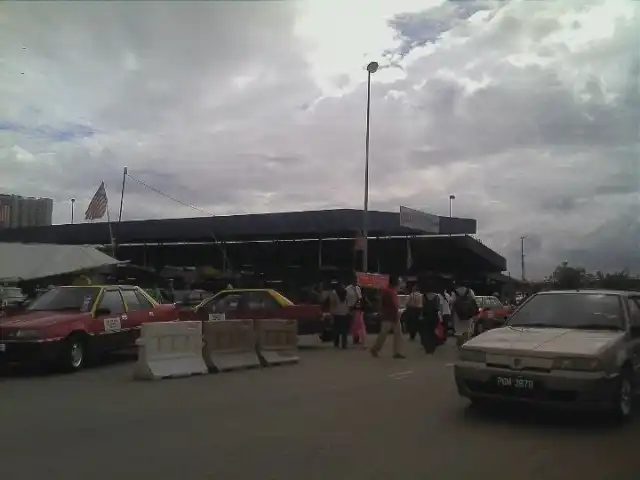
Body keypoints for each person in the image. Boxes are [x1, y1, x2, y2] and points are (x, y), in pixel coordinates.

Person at [370, 275, 405, 359]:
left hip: (391, 316)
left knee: (395, 334)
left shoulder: (389, 291)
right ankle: (376, 349)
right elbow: (393, 304)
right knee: (385, 334)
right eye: (399, 282)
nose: (401, 283)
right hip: (390, 316)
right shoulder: (389, 291)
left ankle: (397, 352)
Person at [419, 280, 445, 354]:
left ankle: (427, 347)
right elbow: (440, 308)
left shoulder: (423, 296)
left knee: (427, 332)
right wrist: (441, 318)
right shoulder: (437, 296)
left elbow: (421, 307)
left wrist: (421, 316)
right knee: (434, 332)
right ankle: (433, 347)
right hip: (435, 316)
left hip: (426, 316)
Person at [329, 280, 350, 349]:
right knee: (344, 330)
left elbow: (333, 304)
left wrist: (331, 313)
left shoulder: (334, 293)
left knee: (336, 329)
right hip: (345, 313)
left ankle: (336, 343)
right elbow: (348, 303)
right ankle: (344, 344)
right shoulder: (347, 292)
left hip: (336, 313)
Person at [345, 275, 365, 345]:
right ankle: (355, 338)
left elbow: (360, 298)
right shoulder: (347, 289)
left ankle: (358, 338)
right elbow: (346, 300)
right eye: (355, 280)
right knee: (354, 324)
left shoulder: (358, 289)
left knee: (360, 324)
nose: (356, 281)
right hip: (352, 308)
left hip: (358, 309)